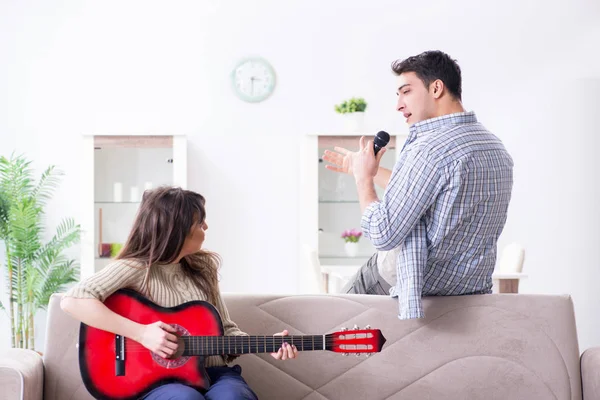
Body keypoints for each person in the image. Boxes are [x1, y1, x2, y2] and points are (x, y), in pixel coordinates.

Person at [322, 50, 514, 320]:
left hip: (412, 284)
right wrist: (370, 170)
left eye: (406, 91)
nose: (399, 105)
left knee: (331, 328)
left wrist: (363, 179)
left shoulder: (428, 148)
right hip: (468, 290)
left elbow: (383, 234)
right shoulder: (493, 147)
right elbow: (429, 193)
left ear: (436, 88)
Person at [61, 186, 298, 400]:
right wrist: (142, 334)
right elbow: (73, 300)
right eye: (200, 222)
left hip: (214, 373)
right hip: (159, 382)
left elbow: (224, 330)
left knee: (233, 396)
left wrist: (269, 344)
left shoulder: (205, 267)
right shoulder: (136, 268)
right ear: (177, 229)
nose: (206, 227)